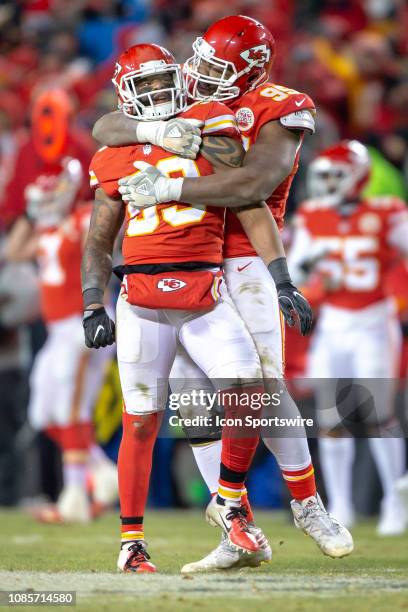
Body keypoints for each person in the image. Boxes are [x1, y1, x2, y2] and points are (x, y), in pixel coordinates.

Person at [97, 16, 353, 570]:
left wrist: (171, 185)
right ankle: (235, 527)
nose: (200, 76)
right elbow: (105, 129)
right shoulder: (190, 101)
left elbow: (251, 186)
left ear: (252, 70)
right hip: (186, 256)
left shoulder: (282, 104)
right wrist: (152, 133)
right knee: (192, 396)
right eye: (201, 63)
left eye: (217, 68)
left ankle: (306, 504)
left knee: (262, 384)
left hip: (243, 257)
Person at [288, 140, 408, 535]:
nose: (327, 183)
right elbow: (295, 275)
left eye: (335, 175)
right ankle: (340, 505)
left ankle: (395, 500)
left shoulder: (387, 212)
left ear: (358, 176)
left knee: (378, 416)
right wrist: (308, 264)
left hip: (374, 321)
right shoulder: (312, 215)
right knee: (329, 418)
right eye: (323, 175)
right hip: (334, 323)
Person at [5, 155, 117, 523]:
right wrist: (31, 214)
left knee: (72, 408)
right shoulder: (45, 230)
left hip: (82, 324)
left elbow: (107, 229)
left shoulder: (81, 218)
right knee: (42, 412)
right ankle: (101, 473)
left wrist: (73, 196)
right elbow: (11, 253)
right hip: (57, 332)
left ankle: (74, 498)